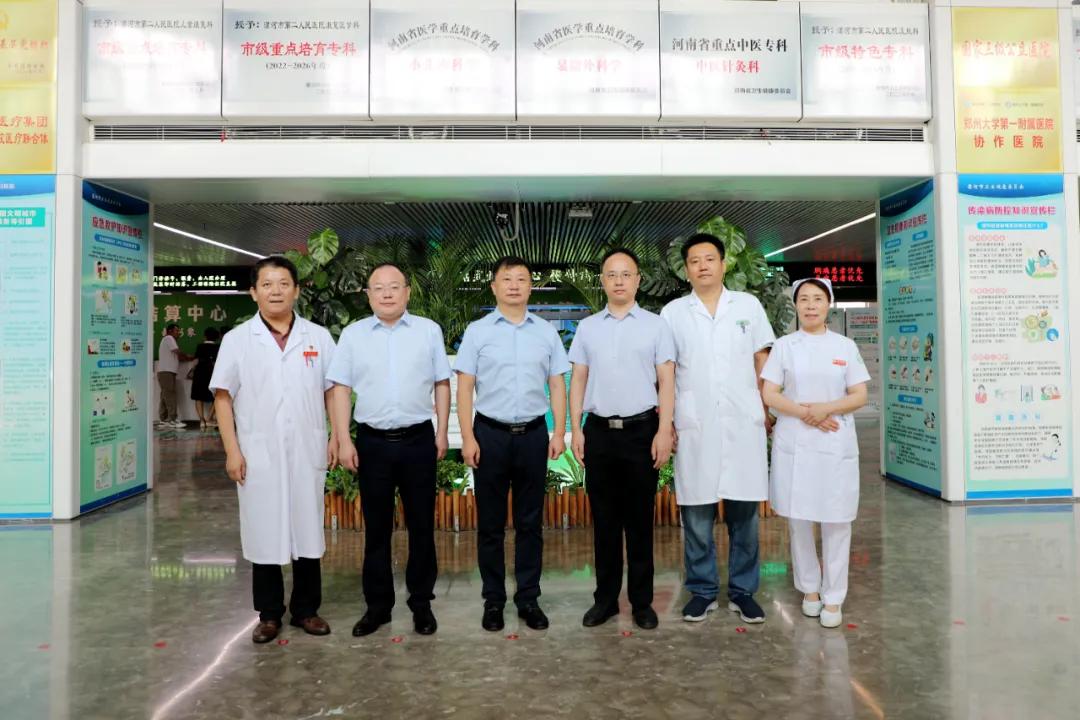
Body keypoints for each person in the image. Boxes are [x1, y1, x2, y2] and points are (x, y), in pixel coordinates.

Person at [210, 256, 338, 644]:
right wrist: (232, 450)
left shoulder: (318, 337)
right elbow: (222, 398)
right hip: (258, 453)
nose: (276, 291)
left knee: (307, 528)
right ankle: (268, 615)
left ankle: (306, 610)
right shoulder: (237, 340)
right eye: (267, 284)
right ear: (254, 293)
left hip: (307, 447)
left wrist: (336, 435)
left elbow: (332, 390)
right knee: (263, 528)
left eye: (284, 283)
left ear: (296, 290)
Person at [328, 263, 452, 638]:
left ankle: (422, 605)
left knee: (422, 528)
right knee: (377, 530)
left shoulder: (428, 331)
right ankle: (377, 607)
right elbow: (339, 388)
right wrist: (343, 438)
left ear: (407, 292)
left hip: (418, 441)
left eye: (394, 286)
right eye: (378, 287)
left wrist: (442, 432)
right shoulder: (353, 335)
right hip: (373, 443)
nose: (386, 293)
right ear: (368, 295)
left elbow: (442, 383)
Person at [660, 233, 775, 625]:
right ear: (686, 270)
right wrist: (667, 422)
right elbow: (667, 371)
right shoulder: (673, 312)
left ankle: (743, 592)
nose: (703, 266)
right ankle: (702, 591)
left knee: (745, 516)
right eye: (694, 261)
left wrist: (766, 407)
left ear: (724, 264)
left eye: (710, 258)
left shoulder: (748, 305)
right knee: (696, 516)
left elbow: (762, 359)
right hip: (695, 424)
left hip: (744, 420)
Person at [456, 256, 570, 632]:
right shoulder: (478, 332)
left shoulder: (546, 332)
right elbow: (465, 387)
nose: (514, 285)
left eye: (521, 279)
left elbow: (557, 383)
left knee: (530, 523)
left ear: (530, 287)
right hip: (489, 434)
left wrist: (559, 432)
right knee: (490, 525)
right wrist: (468, 437)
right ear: (494, 287)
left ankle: (528, 599)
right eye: (507, 279)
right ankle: (493, 601)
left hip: (533, 435)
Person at [568, 248, 675, 630]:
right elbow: (578, 378)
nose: (618, 281)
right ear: (602, 281)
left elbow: (666, 380)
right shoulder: (587, 328)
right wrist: (576, 428)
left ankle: (642, 602)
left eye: (626, 274)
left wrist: (664, 430)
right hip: (598, 432)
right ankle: (606, 600)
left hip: (642, 431)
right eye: (611, 274)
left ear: (637, 280)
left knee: (640, 522)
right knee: (605, 523)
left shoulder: (656, 326)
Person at [760, 277, 869, 629]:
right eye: (804, 299)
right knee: (800, 519)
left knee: (837, 520)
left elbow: (859, 395)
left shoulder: (845, 347)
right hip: (797, 439)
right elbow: (770, 394)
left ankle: (834, 597)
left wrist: (826, 409)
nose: (810, 305)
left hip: (835, 441)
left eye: (817, 299)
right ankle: (810, 590)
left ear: (828, 304)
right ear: (795, 305)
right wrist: (807, 413)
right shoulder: (784, 346)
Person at [157, 324, 193, 429]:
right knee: (170, 395)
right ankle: (172, 419)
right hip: (166, 372)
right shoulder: (169, 338)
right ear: (170, 331)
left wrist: (188, 358)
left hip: (167, 372)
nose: (179, 333)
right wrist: (187, 356)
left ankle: (163, 420)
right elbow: (177, 352)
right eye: (177, 331)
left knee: (165, 396)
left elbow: (178, 357)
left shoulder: (168, 340)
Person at [189, 327, 221, 429]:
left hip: (199, 373)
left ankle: (202, 421)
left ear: (205, 336)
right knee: (217, 396)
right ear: (216, 337)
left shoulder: (200, 346)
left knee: (198, 396)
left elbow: (196, 361)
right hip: (212, 373)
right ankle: (209, 419)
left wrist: (191, 371)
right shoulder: (218, 347)